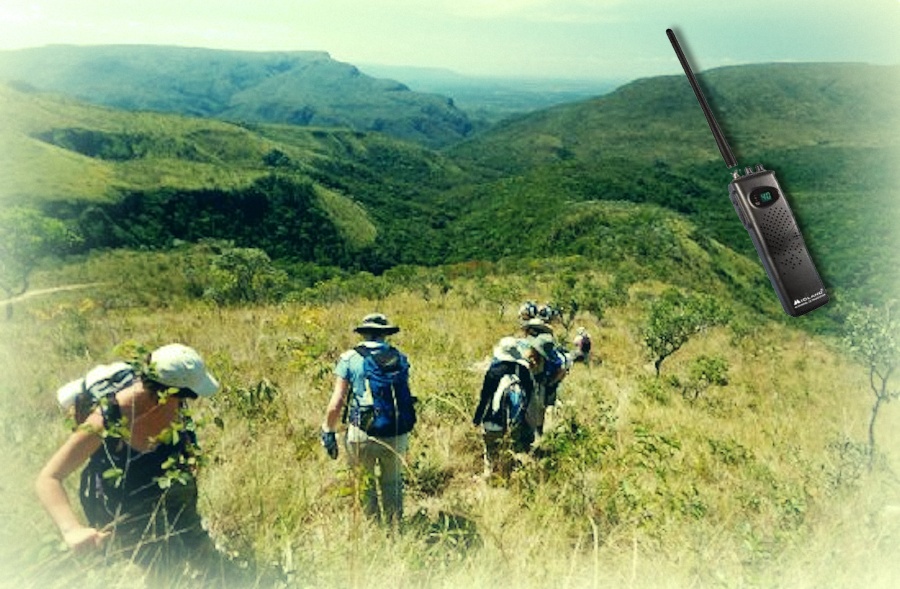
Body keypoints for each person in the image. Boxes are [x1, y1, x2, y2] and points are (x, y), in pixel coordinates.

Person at [36, 344, 222, 573]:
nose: (190, 401)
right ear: (167, 393)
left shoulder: (174, 402)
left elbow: (184, 440)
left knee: (197, 544)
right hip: (125, 497)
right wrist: (71, 530)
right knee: (163, 567)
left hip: (169, 482)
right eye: (190, 395)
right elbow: (49, 478)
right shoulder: (106, 419)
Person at [320, 313, 416, 527]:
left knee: (365, 482)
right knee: (392, 482)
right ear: (385, 334)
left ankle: (373, 528)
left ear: (363, 332)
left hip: (362, 429)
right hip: (396, 429)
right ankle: (395, 528)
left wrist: (328, 429)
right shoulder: (400, 357)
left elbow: (337, 401)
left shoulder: (349, 358)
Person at [472, 336, 535, 479]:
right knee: (508, 449)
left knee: (491, 452)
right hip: (515, 420)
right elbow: (529, 395)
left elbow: (485, 398)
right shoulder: (522, 371)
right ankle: (507, 476)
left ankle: (490, 478)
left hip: (493, 420)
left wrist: (477, 419)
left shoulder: (494, 371)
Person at [525, 333, 569, 441]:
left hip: (540, 386)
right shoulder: (532, 357)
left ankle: (535, 434)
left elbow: (562, 371)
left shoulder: (550, 359)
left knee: (538, 410)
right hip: (535, 386)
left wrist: (550, 383)